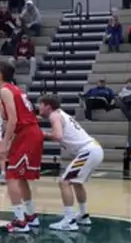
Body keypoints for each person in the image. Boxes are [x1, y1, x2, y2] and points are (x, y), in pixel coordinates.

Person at [39, 96, 104, 232]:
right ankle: (83, 215)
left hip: (88, 150)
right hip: (95, 148)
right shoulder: (62, 114)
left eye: (41, 105)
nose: (39, 108)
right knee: (76, 182)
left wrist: (43, 134)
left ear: (48, 106)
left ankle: (69, 220)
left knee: (64, 182)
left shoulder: (54, 116)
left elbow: (58, 136)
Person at [0, 61, 44, 233]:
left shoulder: (5, 90)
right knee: (20, 177)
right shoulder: (14, 89)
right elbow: (11, 118)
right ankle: (30, 216)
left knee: (11, 176)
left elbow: (14, 119)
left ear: (0, 74)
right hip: (30, 132)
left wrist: (4, 143)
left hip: (27, 134)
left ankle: (20, 220)